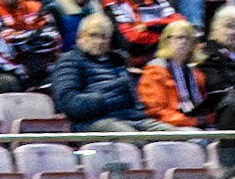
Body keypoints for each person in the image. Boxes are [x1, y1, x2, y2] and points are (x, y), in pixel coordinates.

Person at [53, 13, 185, 128]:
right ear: (79, 36)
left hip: (132, 118)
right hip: (93, 122)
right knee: (134, 141)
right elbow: (70, 104)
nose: (98, 41)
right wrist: (110, 96)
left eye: (104, 37)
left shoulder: (119, 60)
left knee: (179, 136)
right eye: (93, 35)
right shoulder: (69, 61)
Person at [138, 19, 212, 125]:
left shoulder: (194, 71)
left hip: (193, 122)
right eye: (179, 37)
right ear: (166, 41)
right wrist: (192, 122)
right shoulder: (155, 70)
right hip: (168, 125)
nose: (183, 42)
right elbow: (157, 112)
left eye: (188, 38)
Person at [108, 0, 182, 65]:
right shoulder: (112, 4)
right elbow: (131, 42)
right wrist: (165, 36)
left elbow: (179, 24)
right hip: (132, 65)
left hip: (167, 58)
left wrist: (147, 26)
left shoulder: (158, 0)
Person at [200, 2, 235, 92]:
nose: (233, 32)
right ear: (216, 28)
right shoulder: (209, 56)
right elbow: (218, 88)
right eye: (228, 26)